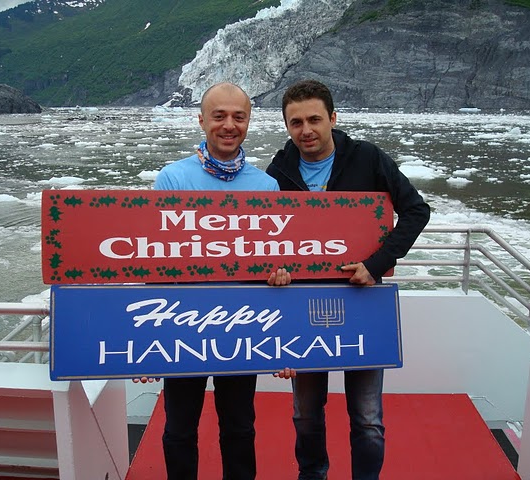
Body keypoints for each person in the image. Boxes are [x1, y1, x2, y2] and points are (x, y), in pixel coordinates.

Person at [266, 79, 431, 480]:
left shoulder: (368, 158)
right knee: (306, 413)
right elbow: (267, 238)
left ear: (333, 118)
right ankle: (313, 474)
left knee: (368, 417)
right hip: (302, 307)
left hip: (363, 302)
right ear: (287, 125)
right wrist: (276, 272)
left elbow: (416, 210)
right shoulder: (278, 171)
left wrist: (376, 264)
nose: (306, 130)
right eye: (296, 122)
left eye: (314, 120)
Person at [135, 81, 291, 480]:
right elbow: (155, 265)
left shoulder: (266, 186)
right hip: (183, 324)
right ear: (202, 120)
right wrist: (149, 342)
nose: (229, 125)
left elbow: (273, 261)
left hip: (243, 324)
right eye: (219, 116)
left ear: (249, 122)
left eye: (239, 117)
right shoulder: (172, 179)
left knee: (239, 427)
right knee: (179, 428)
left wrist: (278, 278)